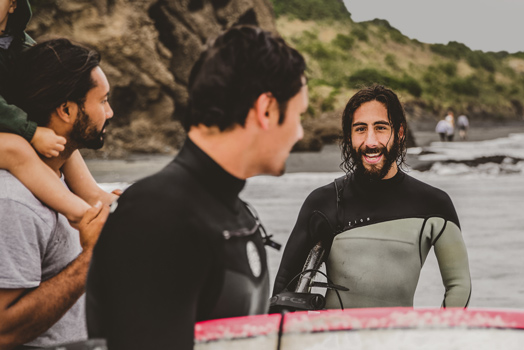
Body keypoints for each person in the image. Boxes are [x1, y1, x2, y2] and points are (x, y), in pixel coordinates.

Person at [86, 25, 307, 349]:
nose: (300, 132)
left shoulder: (230, 211)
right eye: (299, 115)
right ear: (267, 110)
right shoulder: (156, 216)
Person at [273, 85, 471, 309]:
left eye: (380, 128)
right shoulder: (323, 203)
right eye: (360, 129)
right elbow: (284, 288)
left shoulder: (434, 204)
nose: (371, 142)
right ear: (349, 136)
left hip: (398, 341)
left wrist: (438, 336)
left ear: (400, 132)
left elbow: (458, 285)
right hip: (334, 341)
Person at [0, 38, 112, 349]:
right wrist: (92, 258)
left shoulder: (60, 178)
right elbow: (2, 332)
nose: (111, 112)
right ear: (65, 109)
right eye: (102, 101)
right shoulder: (12, 203)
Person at [0, 0, 113, 227]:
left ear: (13, 5)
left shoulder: (15, 45)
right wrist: (31, 132)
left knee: (61, 135)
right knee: (16, 149)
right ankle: (80, 213)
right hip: (12, 138)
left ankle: (91, 193)